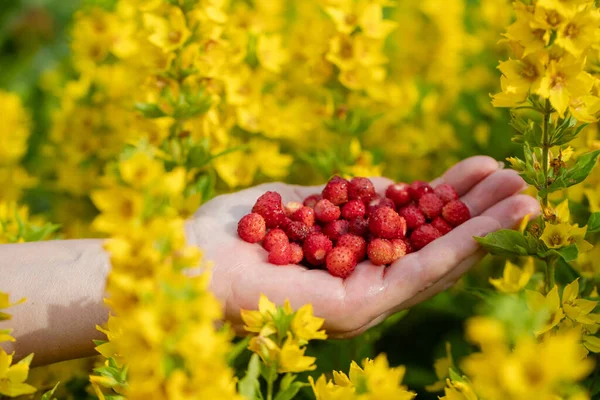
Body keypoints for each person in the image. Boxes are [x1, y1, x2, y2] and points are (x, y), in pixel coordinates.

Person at [0, 156, 539, 366]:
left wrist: (191, 257)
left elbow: (361, 224)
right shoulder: (324, 226)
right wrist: (197, 257)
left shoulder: (361, 221)